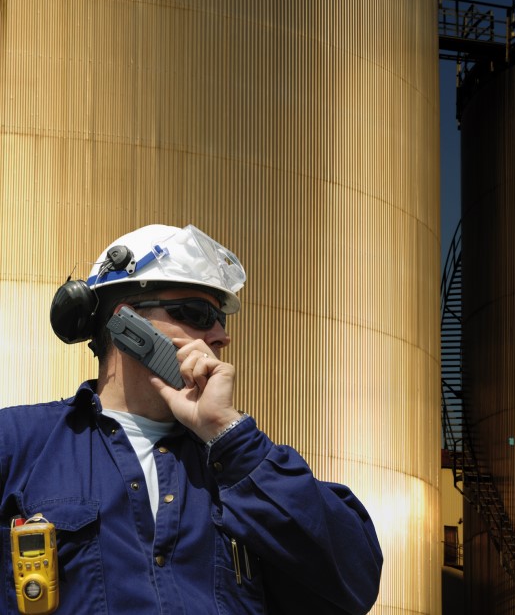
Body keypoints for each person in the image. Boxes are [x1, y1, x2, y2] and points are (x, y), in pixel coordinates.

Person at [0, 224, 383, 614]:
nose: (220, 335)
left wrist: (227, 435)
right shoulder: (17, 444)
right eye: (197, 313)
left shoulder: (241, 466)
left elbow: (356, 582)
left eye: (221, 320)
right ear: (127, 323)